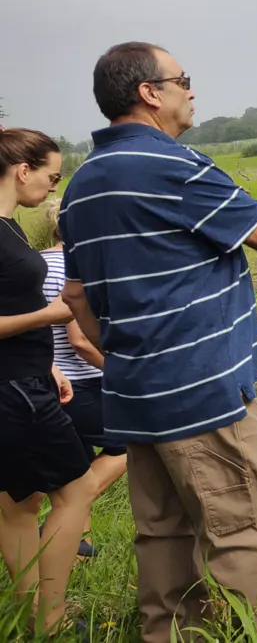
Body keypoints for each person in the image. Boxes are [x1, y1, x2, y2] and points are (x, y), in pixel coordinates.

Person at [59, 42, 257, 642]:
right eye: (183, 80)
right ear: (150, 93)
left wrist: (133, 359)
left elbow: (77, 299)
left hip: (134, 396)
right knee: (245, 536)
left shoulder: (82, 185)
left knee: (163, 540)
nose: (192, 91)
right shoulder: (171, 166)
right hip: (204, 395)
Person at [0, 128, 98, 637]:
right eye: (51, 176)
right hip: (15, 390)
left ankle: (25, 613)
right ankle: (52, 617)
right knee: (75, 491)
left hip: (24, 377)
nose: (51, 186)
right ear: (22, 171)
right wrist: (54, 314)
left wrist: (50, 363)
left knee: (19, 503)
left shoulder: (11, 227)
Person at [40, 197, 128, 560]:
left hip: (48, 380)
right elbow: (79, 341)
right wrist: (122, 372)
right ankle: (60, 524)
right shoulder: (69, 269)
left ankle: (77, 544)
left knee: (79, 465)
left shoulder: (39, 261)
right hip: (80, 382)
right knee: (130, 446)